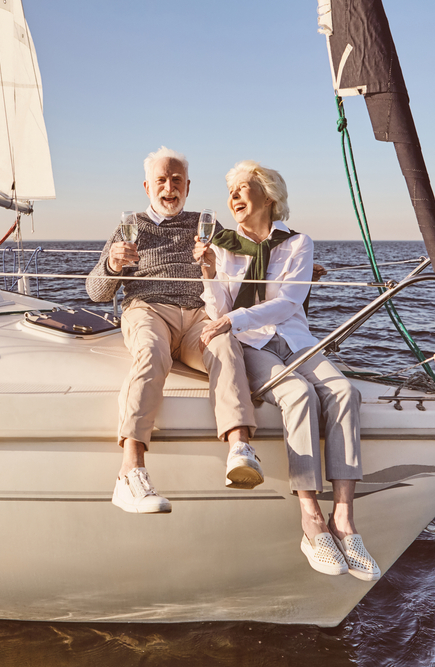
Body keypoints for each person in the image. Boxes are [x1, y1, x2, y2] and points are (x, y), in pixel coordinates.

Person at [194, 160, 380, 581]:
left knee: (345, 393)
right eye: (231, 191)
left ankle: (345, 520)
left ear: (269, 196)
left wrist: (232, 319)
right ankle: (311, 518)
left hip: (294, 338)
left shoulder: (297, 244)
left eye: (243, 188)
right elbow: (219, 311)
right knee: (298, 394)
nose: (234, 197)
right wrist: (208, 274)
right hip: (251, 343)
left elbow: (290, 301)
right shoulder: (224, 246)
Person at [86, 147, 260, 515]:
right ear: (147, 186)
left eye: (176, 180)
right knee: (151, 353)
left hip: (200, 312)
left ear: (188, 186)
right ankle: (129, 473)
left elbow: (252, 251)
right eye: (162, 180)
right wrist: (114, 266)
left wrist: (298, 263)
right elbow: (97, 292)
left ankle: (239, 449)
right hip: (149, 309)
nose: (170, 187)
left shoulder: (204, 224)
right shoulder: (130, 226)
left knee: (226, 345)